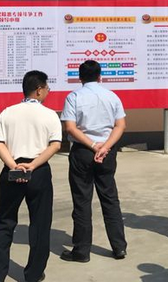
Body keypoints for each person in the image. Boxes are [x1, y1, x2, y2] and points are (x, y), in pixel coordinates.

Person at [0, 71, 62, 282]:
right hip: (39, 171)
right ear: (39, 90)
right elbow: (55, 145)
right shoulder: (50, 115)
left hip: (11, 170)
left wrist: (14, 166)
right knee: (40, 224)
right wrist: (33, 165)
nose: (48, 92)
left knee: (5, 221)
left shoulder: (7, 113)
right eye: (47, 88)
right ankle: (33, 274)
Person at [60, 60, 128, 263]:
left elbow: (70, 128)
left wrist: (92, 145)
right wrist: (105, 147)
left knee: (82, 201)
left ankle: (81, 251)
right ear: (100, 77)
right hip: (107, 151)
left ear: (80, 77)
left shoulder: (74, 97)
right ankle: (119, 247)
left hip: (83, 151)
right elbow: (120, 125)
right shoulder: (111, 96)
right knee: (110, 198)